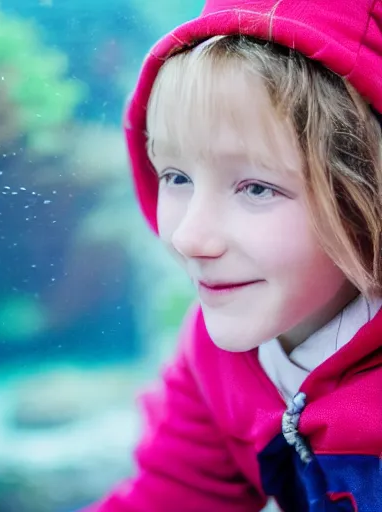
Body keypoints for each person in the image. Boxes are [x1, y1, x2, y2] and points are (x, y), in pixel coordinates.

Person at [81, 0, 382, 511]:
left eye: (257, 188)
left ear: (368, 191)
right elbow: (172, 497)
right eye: (175, 177)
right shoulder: (214, 355)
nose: (189, 238)